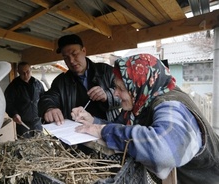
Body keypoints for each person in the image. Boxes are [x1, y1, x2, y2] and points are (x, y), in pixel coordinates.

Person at [72, 53, 219, 184]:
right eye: (115, 87)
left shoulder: (171, 106)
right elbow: (120, 129)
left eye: (121, 89)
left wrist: (103, 131)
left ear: (138, 86)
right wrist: (93, 122)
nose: (115, 94)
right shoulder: (140, 104)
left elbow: (162, 151)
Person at [38, 34, 121, 125]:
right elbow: (47, 98)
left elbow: (126, 96)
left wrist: (107, 95)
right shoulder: (61, 81)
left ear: (84, 51)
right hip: (76, 133)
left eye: (74, 54)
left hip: (107, 129)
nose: (71, 61)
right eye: (66, 57)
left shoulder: (106, 71)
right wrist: (49, 108)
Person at [4, 61, 45, 138]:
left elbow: (43, 99)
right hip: (22, 124)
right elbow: (8, 103)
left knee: (40, 144)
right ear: (18, 72)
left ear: (31, 70)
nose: (25, 75)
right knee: (25, 147)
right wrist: (14, 114)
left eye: (27, 72)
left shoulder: (38, 84)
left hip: (37, 122)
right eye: (22, 73)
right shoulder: (13, 86)